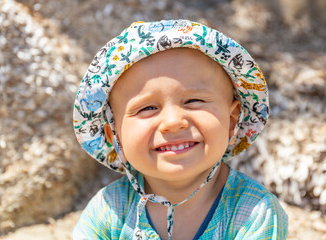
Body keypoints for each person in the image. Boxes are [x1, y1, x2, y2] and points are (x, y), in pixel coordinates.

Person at [72, 19, 288, 240]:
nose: (173, 121)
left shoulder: (254, 212)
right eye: (147, 108)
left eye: (193, 101)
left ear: (232, 120)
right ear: (115, 138)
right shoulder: (108, 212)